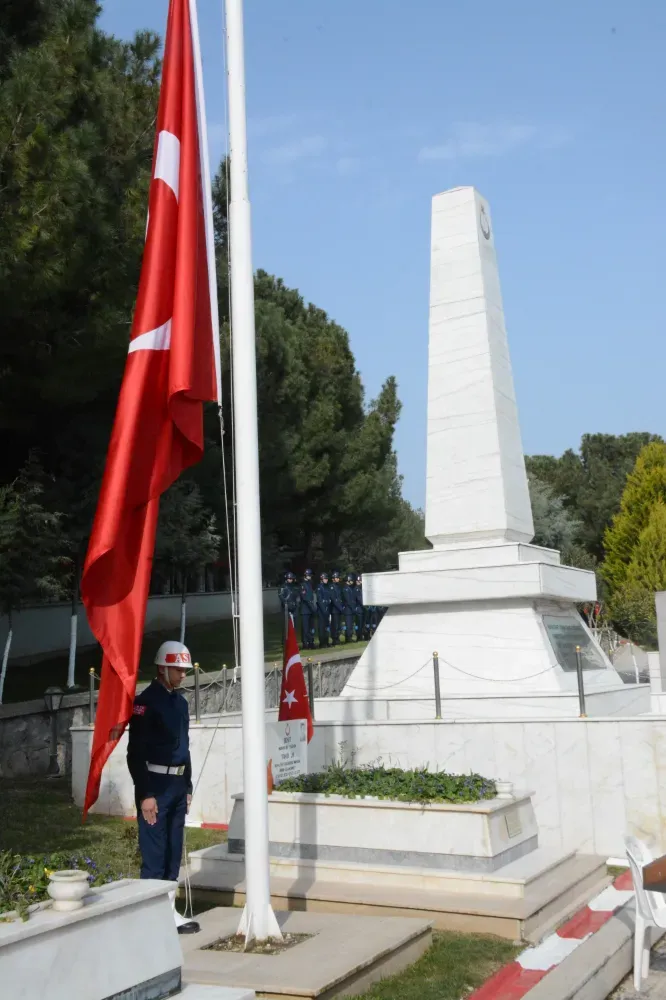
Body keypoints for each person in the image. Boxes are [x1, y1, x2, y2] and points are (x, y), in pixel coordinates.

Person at [127, 640, 199, 934]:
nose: (183, 675)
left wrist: (188, 785)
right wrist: (145, 794)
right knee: (155, 854)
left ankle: (168, 912)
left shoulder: (180, 703)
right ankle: (150, 917)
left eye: (184, 670)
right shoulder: (145, 703)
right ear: (162, 668)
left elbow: (184, 747)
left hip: (177, 785)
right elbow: (135, 753)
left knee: (173, 851)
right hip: (155, 785)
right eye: (177, 670)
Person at [278, 570, 300, 644]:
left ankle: (293, 641)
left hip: (294, 607)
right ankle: (285, 641)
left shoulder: (294, 587)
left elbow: (297, 596)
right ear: (286, 578)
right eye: (289, 578)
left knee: (294, 625)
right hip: (286, 608)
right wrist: (286, 603)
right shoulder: (283, 587)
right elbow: (281, 596)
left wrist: (297, 604)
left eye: (291, 579)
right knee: (286, 625)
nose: (290, 580)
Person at [299, 568, 317, 649]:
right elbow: (305, 597)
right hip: (305, 609)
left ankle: (311, 642)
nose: (310, 576)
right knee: (305, 628)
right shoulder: (302, 585)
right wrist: (311, 606)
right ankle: (305, 643)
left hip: (310, 609)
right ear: (305, 575)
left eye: (310, 575)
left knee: (311, 627)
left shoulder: (310, 584)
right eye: (309, 575)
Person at [316, 571, 333, 649]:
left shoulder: (327, 587)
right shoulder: (319, 587)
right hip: (322, 610)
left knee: (327, 627)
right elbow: (319, 600)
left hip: (327, 609)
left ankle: (326, 641)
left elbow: (329, 598)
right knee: (322, 627)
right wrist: (324, 610)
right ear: (321, 579)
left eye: (327, 579)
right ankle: (322, 642)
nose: (326, 580)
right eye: (325, 579)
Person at [330, 570, 344, 645]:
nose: (338, 579)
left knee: (338, 625)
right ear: (333, 578)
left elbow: (340, 598)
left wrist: (342, 607)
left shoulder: (338, 587)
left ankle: (337, 637)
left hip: (339, 609)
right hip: (334, 609)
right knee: (334, 625)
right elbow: (334, 599)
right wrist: (340, 608)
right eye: (337, 578)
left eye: (338, 578)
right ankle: (334, 639)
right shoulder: (332, 587)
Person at [342, 573, 357, 642]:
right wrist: (353, 608)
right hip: (348, 610)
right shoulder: (346, 589)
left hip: (351, 609)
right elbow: (348, 600)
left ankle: (350, 636)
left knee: (350, 624)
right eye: (351, 580)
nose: (352, 582)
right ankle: (348, 637)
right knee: (348, 625)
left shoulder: (349, 588)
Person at [354, 573, 365, 639]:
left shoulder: (361, 589)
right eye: (358, 581)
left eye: (360, 581)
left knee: (362, 623)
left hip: (362, 608)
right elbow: (359, 599)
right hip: (358, 608)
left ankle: (361, 634)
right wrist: (364, 604)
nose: (359, 582)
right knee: (359, 623)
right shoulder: (356, 589)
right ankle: (359, 636)